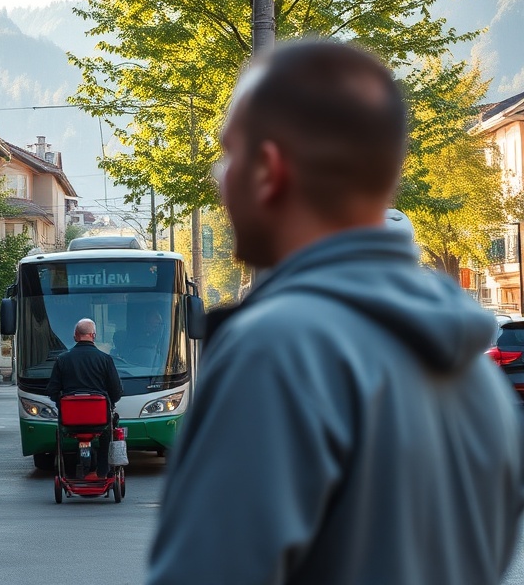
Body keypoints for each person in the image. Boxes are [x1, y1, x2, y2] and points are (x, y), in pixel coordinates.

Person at [147, 39, 524, 584]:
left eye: (229, 153)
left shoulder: (277, 354)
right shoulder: (473, 373)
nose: (218, 176)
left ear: (269, 170)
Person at [45, 317, 123, 478]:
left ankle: (70, 470)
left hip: (71, 421)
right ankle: (103, 471)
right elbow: (116, 390)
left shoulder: (62, 360)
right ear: (93, 336)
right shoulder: (105, 359)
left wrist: (63, 405)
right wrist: (111, 403)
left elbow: (52, 391)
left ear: (75, 335)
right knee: (107, 435)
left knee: (63, 435)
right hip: (99, 420)